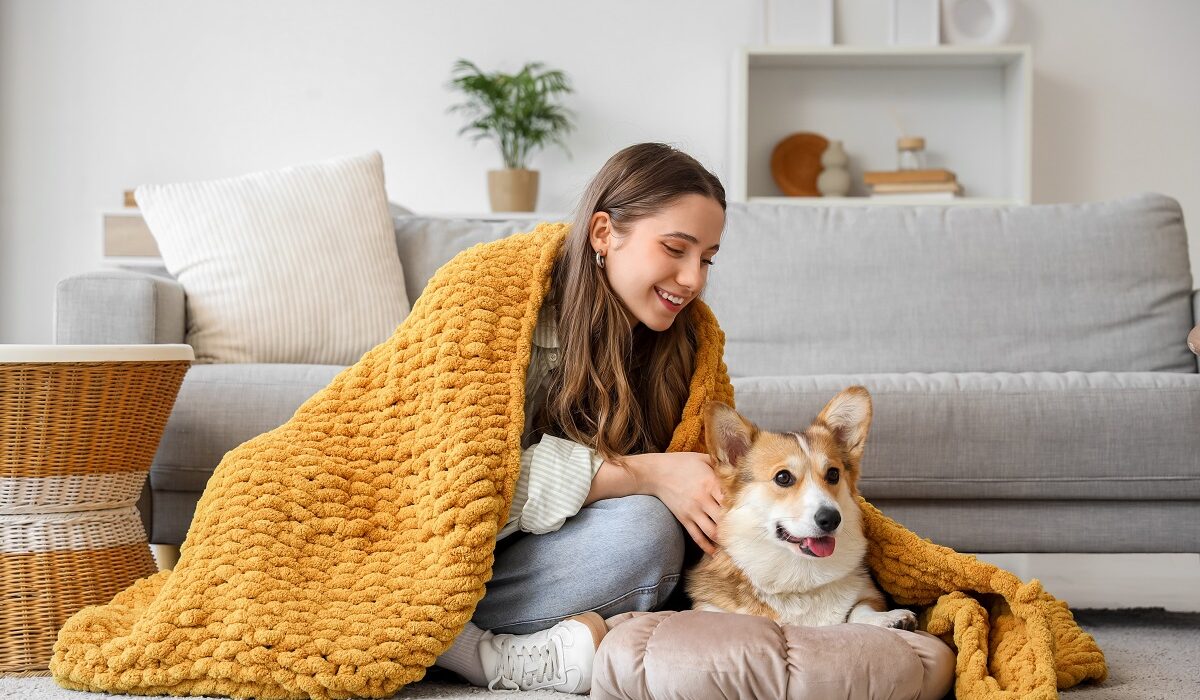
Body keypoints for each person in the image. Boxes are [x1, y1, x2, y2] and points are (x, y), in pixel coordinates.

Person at [432, 142, 729, 693]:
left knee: (649, 533)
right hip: (428, 555)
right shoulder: (487, 297)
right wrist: (647, 472)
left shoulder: (685, 344)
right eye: (675, 249)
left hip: (516, 571)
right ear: (602, 234)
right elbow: (455, 487)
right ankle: (474, 652)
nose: (694, 280)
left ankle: (473, 641)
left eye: (707, 258)